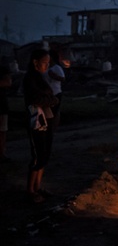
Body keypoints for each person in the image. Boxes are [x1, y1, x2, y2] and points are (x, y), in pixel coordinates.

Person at [22, 48, 59, 203]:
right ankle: (30, 190)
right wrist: (50, 100)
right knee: (38, 155)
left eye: (48, 63)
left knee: (44, 153)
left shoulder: (40, 78)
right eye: (45, 63)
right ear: (35, 62)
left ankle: (38, 186)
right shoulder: (31, 79)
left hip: (46, 119)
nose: (47, 66)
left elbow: (50, 97)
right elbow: (38, 99)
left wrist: (50, 99)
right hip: (36, 120)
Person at [44, 50, 65, 147]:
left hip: (56, 92)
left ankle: (53, 129)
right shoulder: (46, 68)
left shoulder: (57, 68)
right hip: (47, 93)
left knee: (55, 111)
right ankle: (47, 129)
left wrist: (54, 76)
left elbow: (62, 78)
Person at [0, 58, 12, 163]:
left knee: (2, 130)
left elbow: (7, 82)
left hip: (1, 105)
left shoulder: (2, 68)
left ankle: (1, 153)